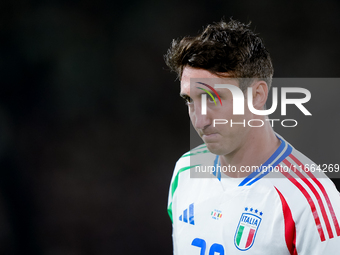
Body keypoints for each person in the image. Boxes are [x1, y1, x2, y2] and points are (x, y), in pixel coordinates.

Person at [164, 19, 340, 255]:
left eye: (214, 98)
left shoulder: (311, 202)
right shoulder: (184, 171)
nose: (199, 121)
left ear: (257, 95)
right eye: (189, 100)